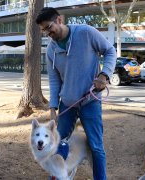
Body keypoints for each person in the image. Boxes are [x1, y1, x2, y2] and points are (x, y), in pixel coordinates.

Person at [36, 7, 116, 180]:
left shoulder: (86, 32)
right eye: (43, 30)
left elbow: (110, 51)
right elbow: (54, 80)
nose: (47, 33)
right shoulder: (51, 50)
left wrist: (104, 75)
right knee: (57, 144)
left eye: (49, 27)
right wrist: (53, 106)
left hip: (90, 101)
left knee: (96, 147)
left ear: (59, 20)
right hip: (67, 102)